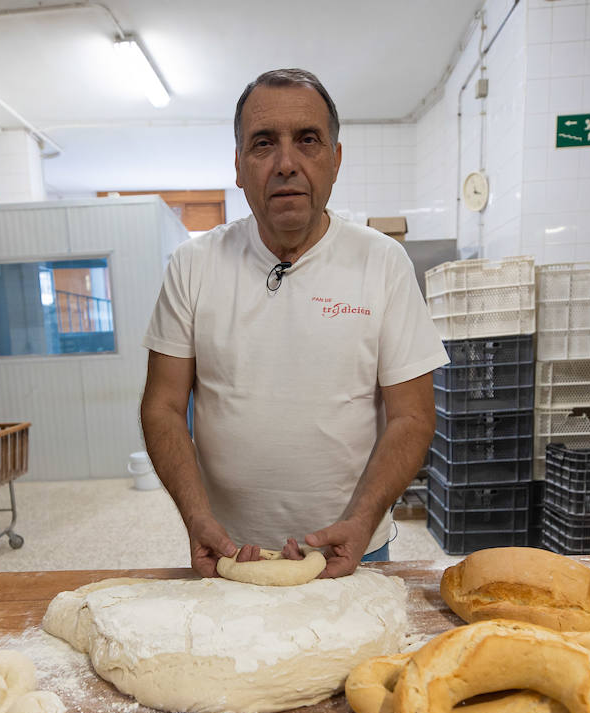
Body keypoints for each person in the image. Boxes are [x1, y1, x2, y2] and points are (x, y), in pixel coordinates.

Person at [140, 68, 447, 580]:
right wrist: (196, 519)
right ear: (239, 167)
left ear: (335, 159)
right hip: (230, 555)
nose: (287, 163)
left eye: (308, 140)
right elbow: (164, 405)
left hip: (353, 552)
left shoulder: (382, 263)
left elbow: (411, 416)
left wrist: (361, 520)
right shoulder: (193, 266)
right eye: (264, 144)